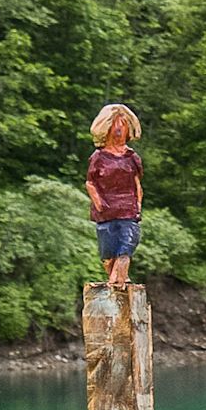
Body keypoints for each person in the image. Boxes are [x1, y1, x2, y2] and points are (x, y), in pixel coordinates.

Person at [87, 104, 144, 290]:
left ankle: (115, 282)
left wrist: (138, 205)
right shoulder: (98, 157)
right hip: (106, 212)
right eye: (115, 125)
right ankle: (119, 281)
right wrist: (99, 204)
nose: (119, 129)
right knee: (108, 254)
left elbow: (137, 184)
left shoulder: (132, 157)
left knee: (127, 245)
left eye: (123, 125)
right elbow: (90, 183)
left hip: (128, 209)